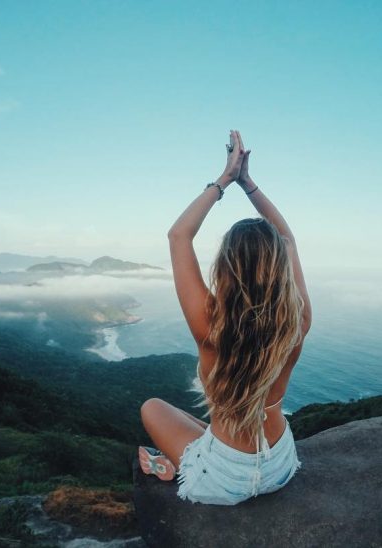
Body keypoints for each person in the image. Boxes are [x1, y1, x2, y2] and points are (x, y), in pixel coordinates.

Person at [139, 130, 312, 505]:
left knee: (152, 407)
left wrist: (225, 179)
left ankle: (173, 467)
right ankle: (186, 458)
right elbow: (288, 238)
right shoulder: (297, 320)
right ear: (280, 266)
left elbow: (178, 236)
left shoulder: (211, 324)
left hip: (223, 478)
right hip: (281, 463)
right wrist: (249, 184)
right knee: (202, 429)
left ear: (227, 267)